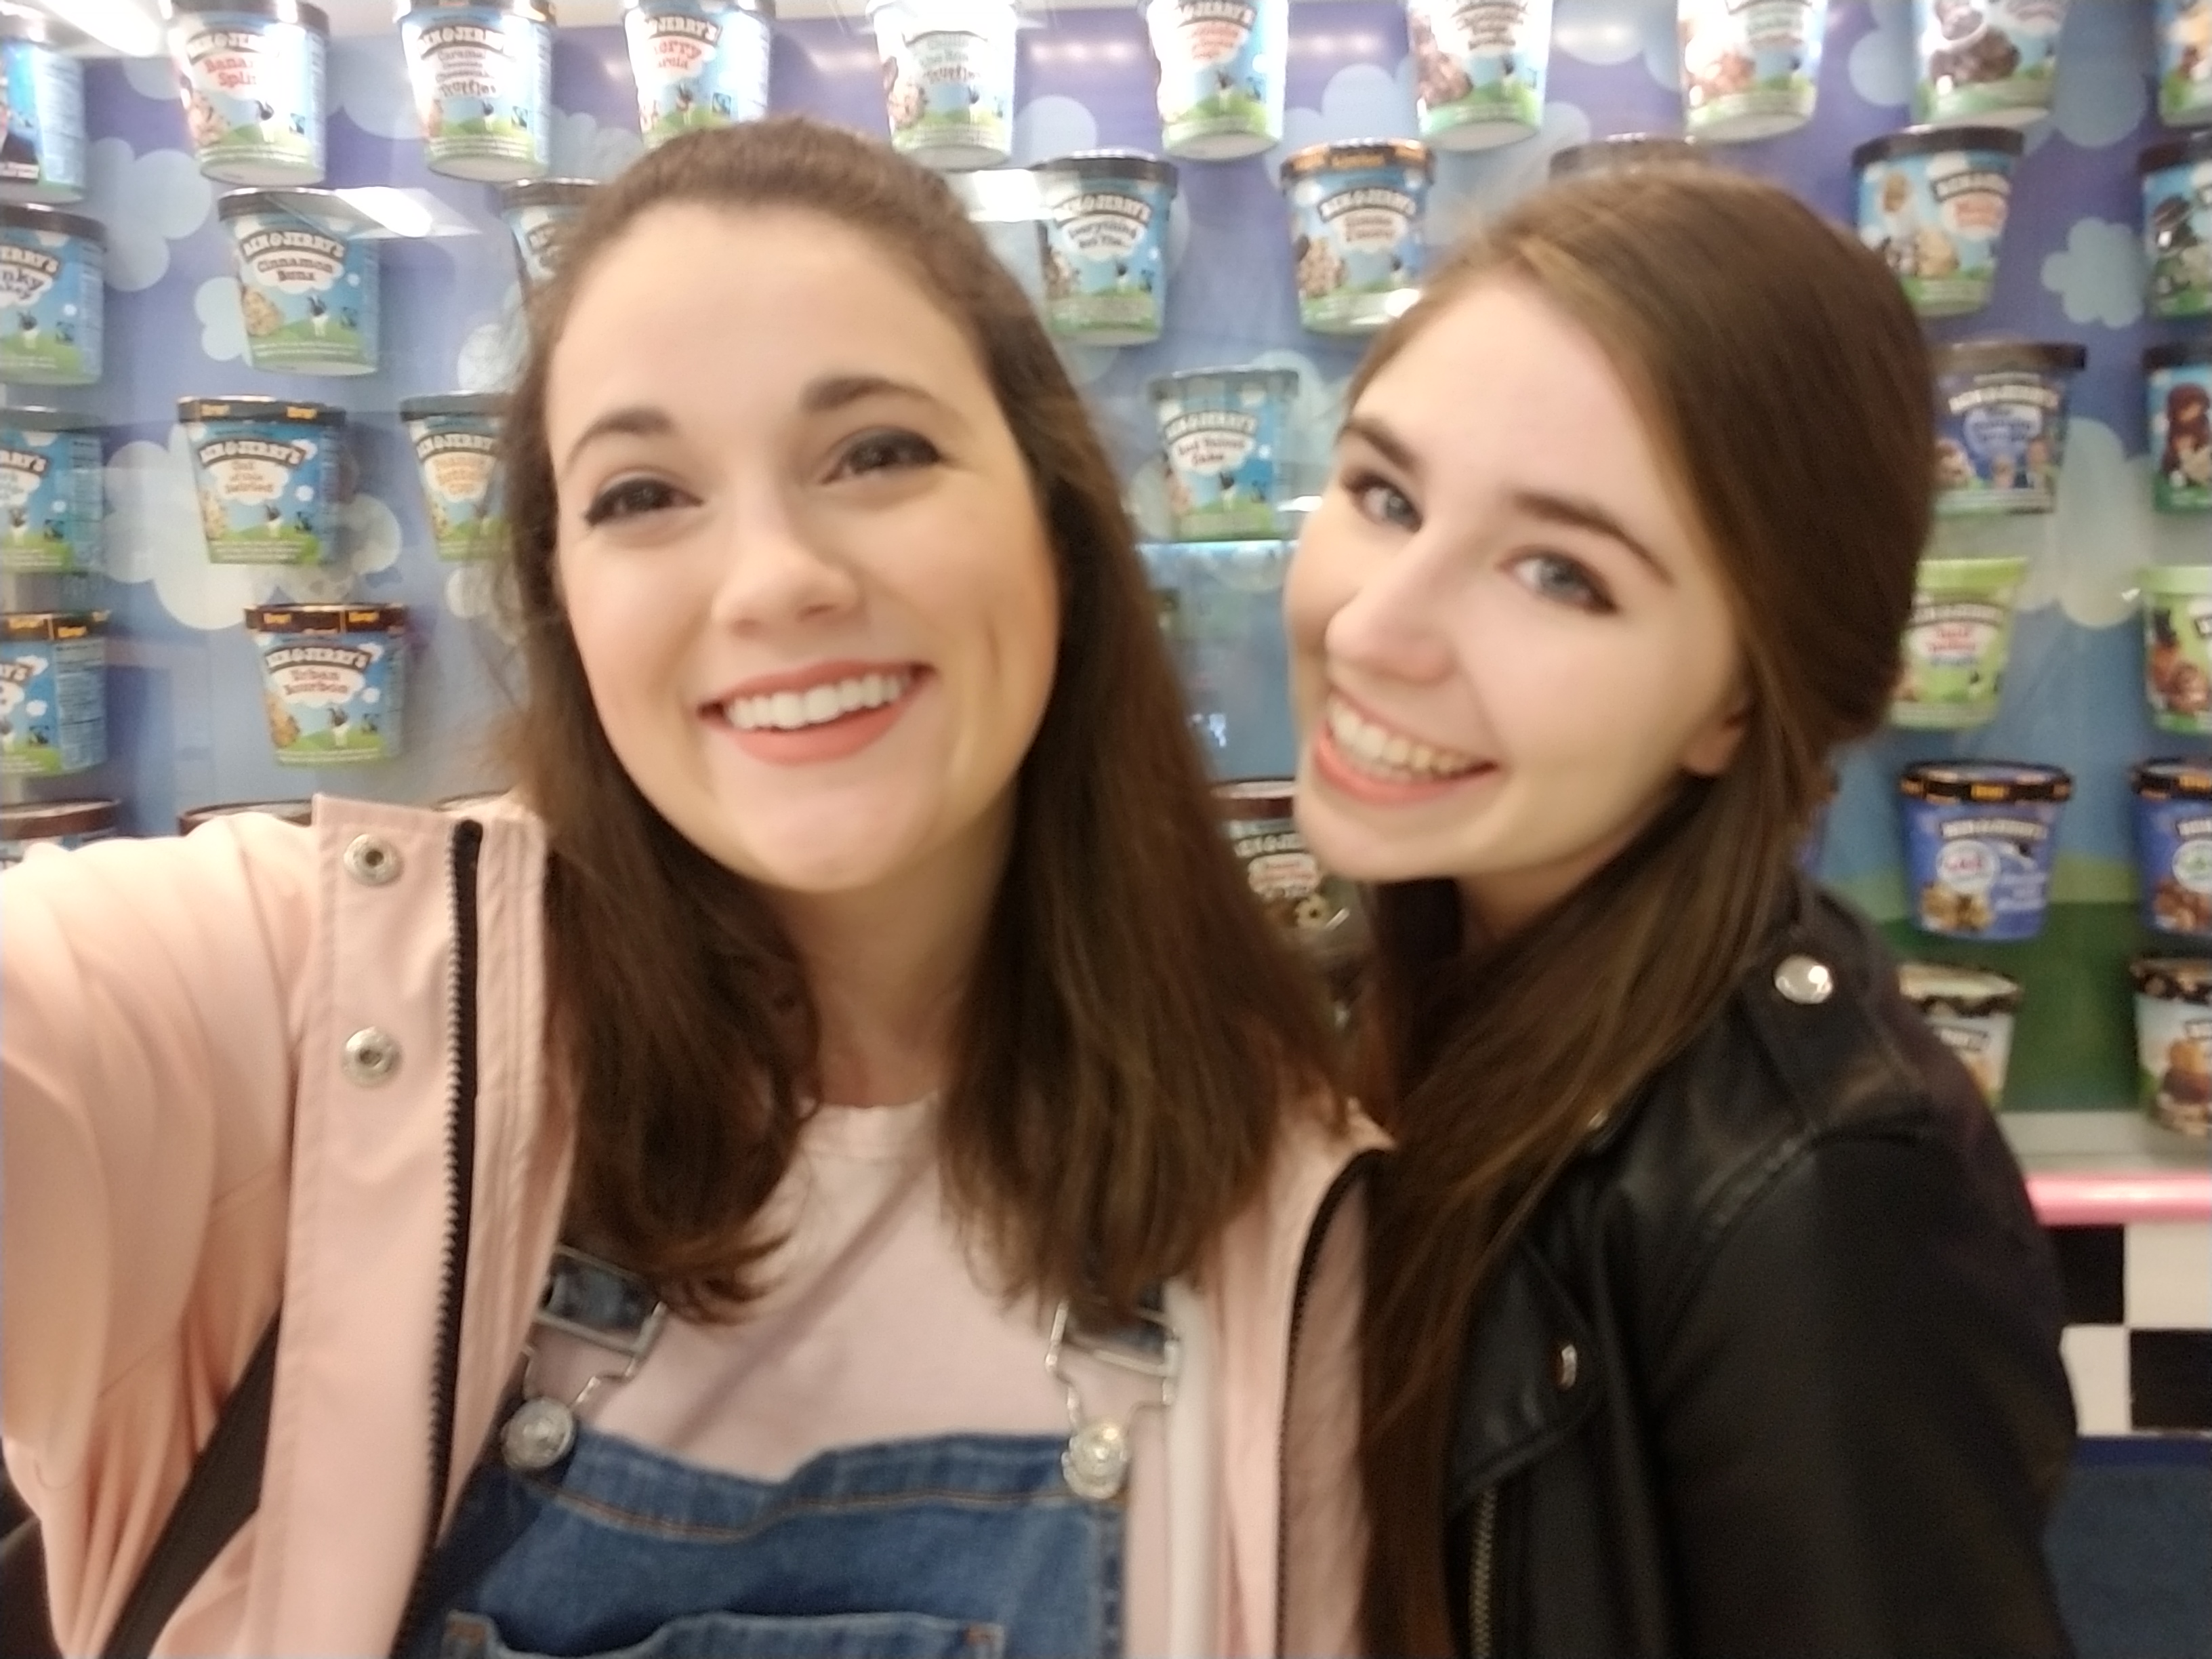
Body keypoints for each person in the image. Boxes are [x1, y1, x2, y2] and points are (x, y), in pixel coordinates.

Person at [1, 117, 1378, 1658]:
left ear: (1057, 525)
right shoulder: (295, 1018)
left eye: (879, 453)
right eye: (643, 494)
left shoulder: (1289, 1214)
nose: (776, 579)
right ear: (563, 600)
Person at [1284, 167, 2076, 1656]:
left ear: (1738, 703)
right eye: (1386, 495)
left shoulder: (1815, 1191)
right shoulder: (1407, 995)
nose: (1372, 630)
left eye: (1559, 575)